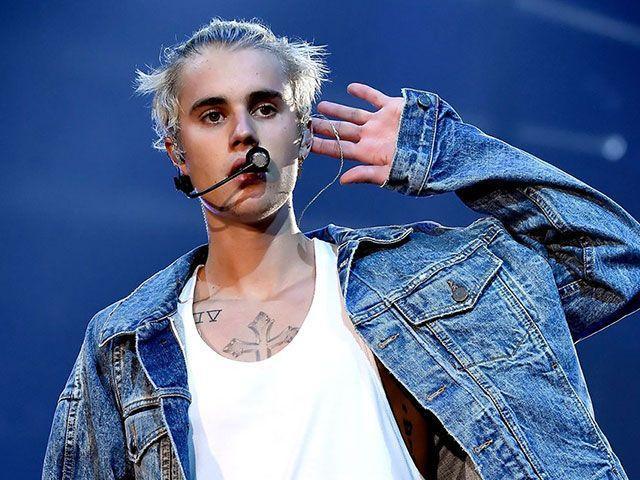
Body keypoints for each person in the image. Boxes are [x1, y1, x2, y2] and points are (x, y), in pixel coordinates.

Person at [42, 17, 639, 480]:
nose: (244, 132)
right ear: (177, 151)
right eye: (213, 114)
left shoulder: (426, 283)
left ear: (302, 133)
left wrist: (441, 152)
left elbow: (614, 259)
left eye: (266, 107)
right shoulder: (124, 345)